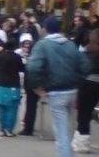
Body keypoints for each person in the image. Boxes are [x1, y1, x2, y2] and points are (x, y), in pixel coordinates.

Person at [27, 16, 90, 157]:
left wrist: (38, 87)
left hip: (55, 91)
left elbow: (33, 68)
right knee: (67, 128)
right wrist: (77, 80)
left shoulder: (42, 45)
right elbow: (85, 66)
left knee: (61, 131)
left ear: (45, 29)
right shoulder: (70, 44)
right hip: (72, 90)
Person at [72, 29, 99, 153]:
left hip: (87, 84)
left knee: (84, 115)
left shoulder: (87, 53)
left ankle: (82, 143)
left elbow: (79, 70)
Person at [0, 40, 24, 137]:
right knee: (12, 108)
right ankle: (9, 130)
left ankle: (2, 129)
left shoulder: (0, 56)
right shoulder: (17, 57)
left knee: (2, 108)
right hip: (13, 85)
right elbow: (22, 68)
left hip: (1, 84)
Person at [15, 34, 38, 136]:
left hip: (30, 82)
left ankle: (28, 126)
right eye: (25, 44)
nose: (26, 47)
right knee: (30, 104)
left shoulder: (32, 57)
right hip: (29, 82)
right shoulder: (20, 53)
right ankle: (28, 125)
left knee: (29, 105)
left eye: (28, 44)